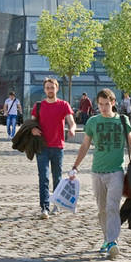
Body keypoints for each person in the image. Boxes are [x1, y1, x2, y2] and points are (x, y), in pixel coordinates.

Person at [71, 89, 131, 260]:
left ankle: (113, 241)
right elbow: (85, 145)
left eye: (106, 104)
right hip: (97, 171)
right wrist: (75, 166)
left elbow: (130, 142)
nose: (103, 107)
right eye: (100, 104)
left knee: (112, 206)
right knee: (101, 210)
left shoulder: (122, 120)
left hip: (116, 170)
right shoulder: (93, 121)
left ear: (113, 103)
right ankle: (106, 239)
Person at [30, 77, 76, 219]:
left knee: (57, 178)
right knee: (43, 178)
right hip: (42, 147)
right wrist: (32, 130)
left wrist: (72, 129)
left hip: (57, 147)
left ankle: (56, 205)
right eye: (48, 87)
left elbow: (71, 122)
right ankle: (44, 208)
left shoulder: (63, 105)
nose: (50, 90)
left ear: (57, 88)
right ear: (45, 90)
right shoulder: (38, 106)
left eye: (52, 87)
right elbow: (30, 125)